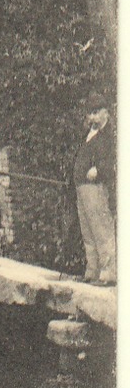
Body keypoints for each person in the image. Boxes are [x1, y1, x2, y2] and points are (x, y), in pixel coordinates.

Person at [73, 96, 116, 285]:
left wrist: (98, 170)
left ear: (106, 112)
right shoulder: (88, 132)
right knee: (88, 232)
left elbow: (111, 161)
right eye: (91, 113)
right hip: (82, 187)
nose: (93, 117)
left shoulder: (109, 135)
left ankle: (108, 274)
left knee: (101, 230)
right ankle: (92, 271)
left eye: (97, 112)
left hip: (95, 187)